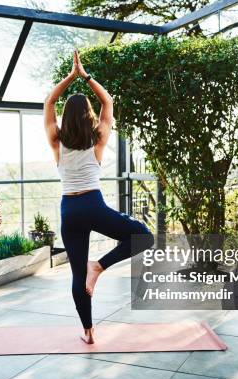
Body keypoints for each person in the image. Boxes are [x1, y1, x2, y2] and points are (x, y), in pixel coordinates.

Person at [43, 50, 154, 344]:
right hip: (93, 205)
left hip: (70, 210)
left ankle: (89, 332)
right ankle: (100, 266)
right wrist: (86, 75)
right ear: (88, 115)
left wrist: (70, 76)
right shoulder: (98, 139)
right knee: (144, 236)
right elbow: (108, 102)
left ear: (66, 118)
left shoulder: (56, 140)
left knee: (77, 275)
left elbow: (49, 102)